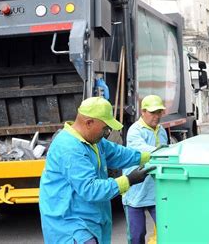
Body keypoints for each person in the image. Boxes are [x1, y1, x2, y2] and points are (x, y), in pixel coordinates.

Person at [39, 97, 155, 244]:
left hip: (88, 218)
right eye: (105, 128)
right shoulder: (69, 148)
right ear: (89, 123)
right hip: (69, 222)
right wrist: (129, 180)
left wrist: (152, 156)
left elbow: (118, 154)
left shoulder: (92, 141)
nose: (107, 132)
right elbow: (90, 188)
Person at [122, 95, 169, 244]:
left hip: (156, 191)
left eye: (159, 112)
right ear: (143, 112)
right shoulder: (135, 131)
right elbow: (141, 150)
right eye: (153, 112)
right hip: (135, 192)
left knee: (166, 228)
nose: (156, 116)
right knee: (137, 235)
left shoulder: (161, 130)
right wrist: (161, 151)